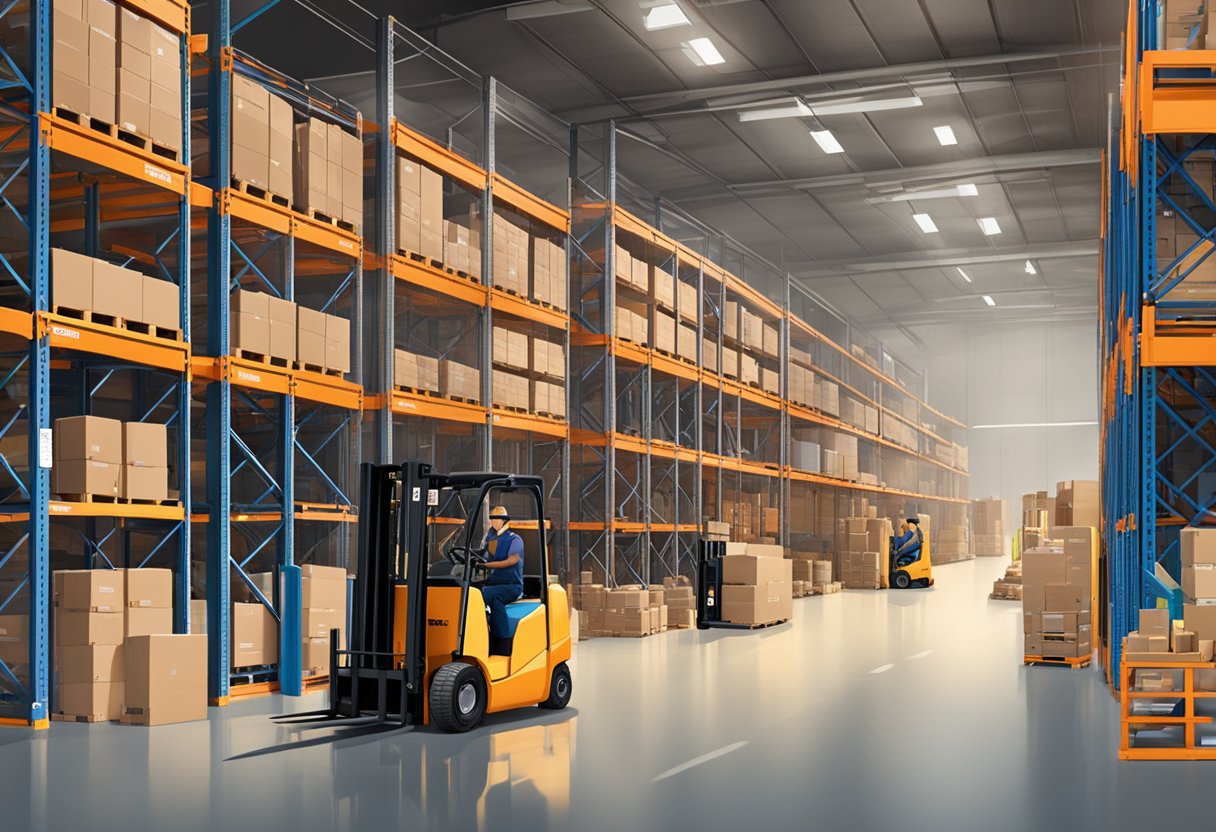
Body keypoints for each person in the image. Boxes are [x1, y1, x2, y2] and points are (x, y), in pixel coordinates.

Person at [480, 505, 525, 653]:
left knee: (483, 595)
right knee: (492, 598)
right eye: (491, 519)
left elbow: (512, 560)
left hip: (511, 586)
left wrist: (487, 565)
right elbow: (485, 555)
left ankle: (503, 642)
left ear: (504, 521)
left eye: (495, 519)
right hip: (495, 584)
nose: (492, 522)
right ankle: (497, 640)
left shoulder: (514, 539)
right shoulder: (491, 538)